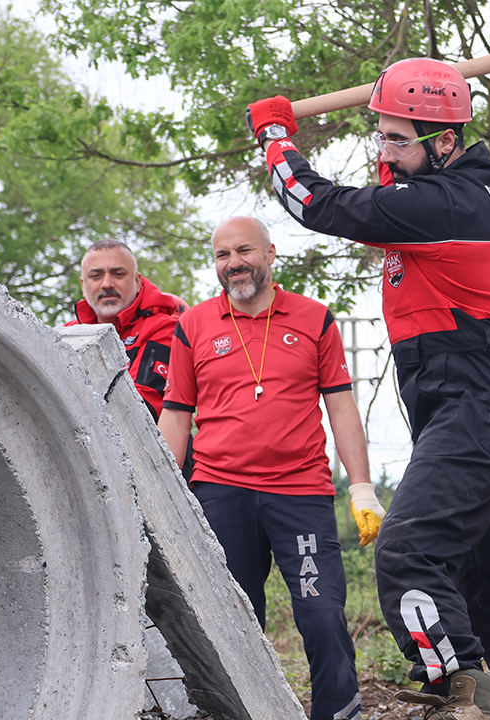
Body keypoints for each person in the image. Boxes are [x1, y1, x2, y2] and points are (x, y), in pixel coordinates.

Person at [245, 58, 490, 720]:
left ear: (445, 141)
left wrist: (277, 139)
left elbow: (316, 204)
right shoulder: (470, 186)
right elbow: (389, 191)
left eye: (399, 140)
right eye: (381, 136)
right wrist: (392, 124)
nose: (385, 152)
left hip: (482, 395)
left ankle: (461, 692)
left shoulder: (444, 203)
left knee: (408, 552)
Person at [157, 216, 384, 720]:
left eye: (243, 251)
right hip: (219, 492)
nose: (233, 264)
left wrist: (363, 488)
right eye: (222, 255)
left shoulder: (314, 318)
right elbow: (176, 415)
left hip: (300, 493)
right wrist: (156, 495)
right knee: (233, 623)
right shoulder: (193, 324)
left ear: (270, 253)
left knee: (322, 614)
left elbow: (341, 406)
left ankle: (338, 712)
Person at [66, 239, 188, 419]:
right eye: (96, 276)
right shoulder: (67, 334)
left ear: (138, 282)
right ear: (83, 286)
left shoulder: (165, 328)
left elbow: (139, 411)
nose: (107, 284)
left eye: (118, 274)